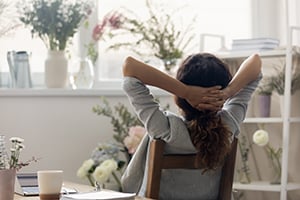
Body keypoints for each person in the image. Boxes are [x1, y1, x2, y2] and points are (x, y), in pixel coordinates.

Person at [121, 53, 262, 199]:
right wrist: (227, 92)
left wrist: (185, 91)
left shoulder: (165, 129)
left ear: (180, 98)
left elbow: (130, 67)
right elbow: (256, 63)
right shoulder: (229, 125)